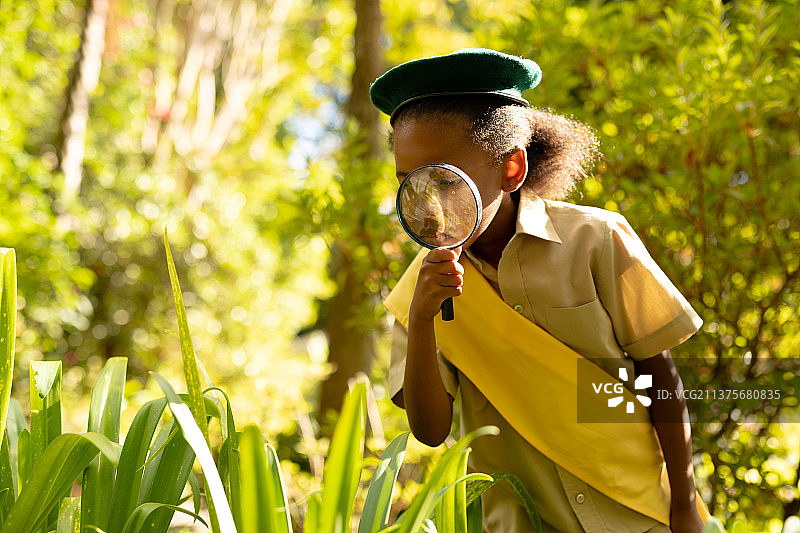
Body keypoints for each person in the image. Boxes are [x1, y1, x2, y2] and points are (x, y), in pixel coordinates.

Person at [370, 49, 709, 533]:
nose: (430, 204)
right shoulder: (417, 292)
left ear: (511, 168)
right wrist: (423, 320)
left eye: (444, 180)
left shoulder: (597, 240)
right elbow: (430, 431)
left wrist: (684, 506)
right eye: (410, 183)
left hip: (635, 513)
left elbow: (661, 378)